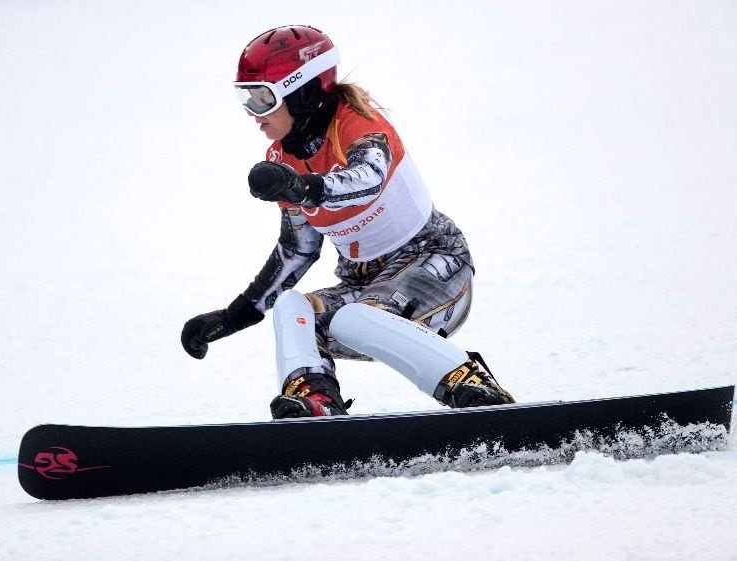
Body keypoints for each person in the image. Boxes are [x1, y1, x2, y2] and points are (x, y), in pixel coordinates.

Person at [181, 25, 516, 419]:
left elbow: (369, 178)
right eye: (246, 97)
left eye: (263, 97)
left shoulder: (357, 121)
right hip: (366, 285)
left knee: (356, 318)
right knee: (293, 307)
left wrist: (301, 187)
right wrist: (235, 315)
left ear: (302, 92)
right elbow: (298, 250)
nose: (252, 112)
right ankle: (316, 400)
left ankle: (470, 383)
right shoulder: (283, 160)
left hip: (437, 268)